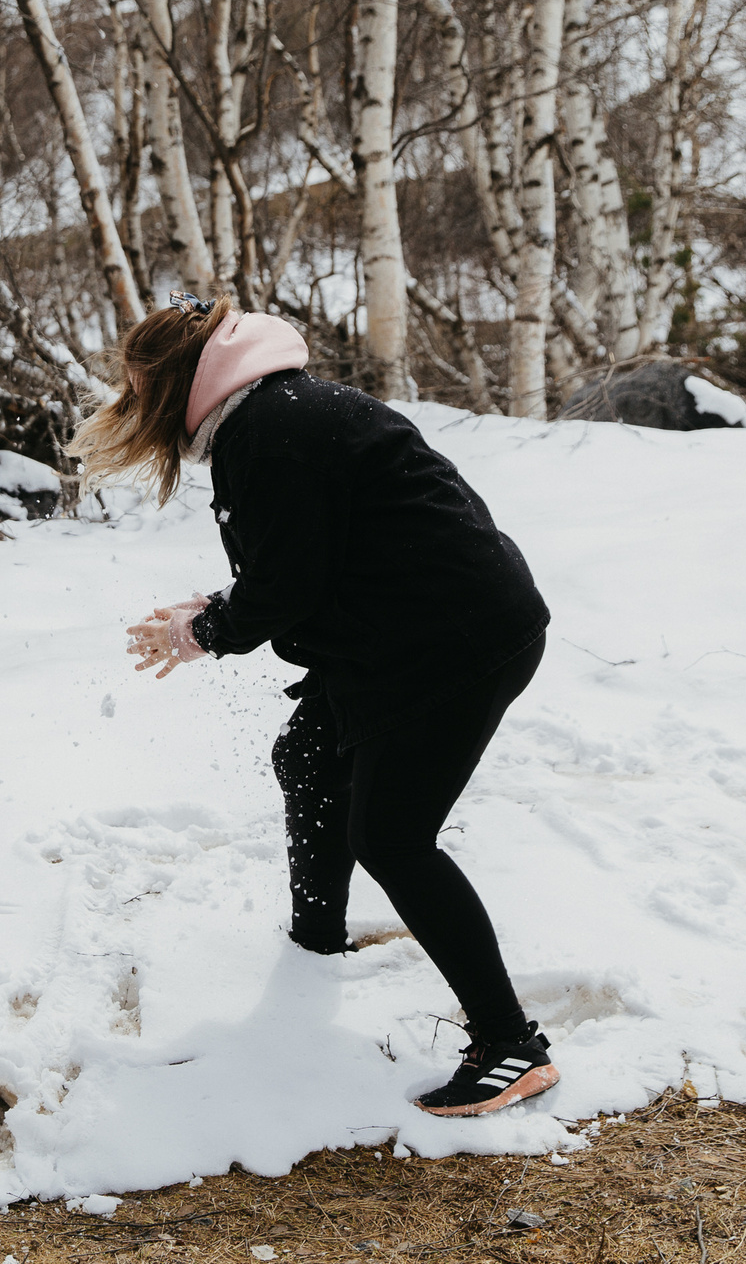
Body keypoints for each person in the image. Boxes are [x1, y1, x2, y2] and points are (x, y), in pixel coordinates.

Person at [72, 294, 558, 1117]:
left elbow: (284, 589)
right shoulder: (274, 413)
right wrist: (218, 610)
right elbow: (305, 562)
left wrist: (204, 629)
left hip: (454, 641)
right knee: (307, 756)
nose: (132, 404)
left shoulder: (269, 430)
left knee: (393, 839)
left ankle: (512, 1044)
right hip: (411, 628)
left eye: (138, 387)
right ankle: (316, 944)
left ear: (176, 381)